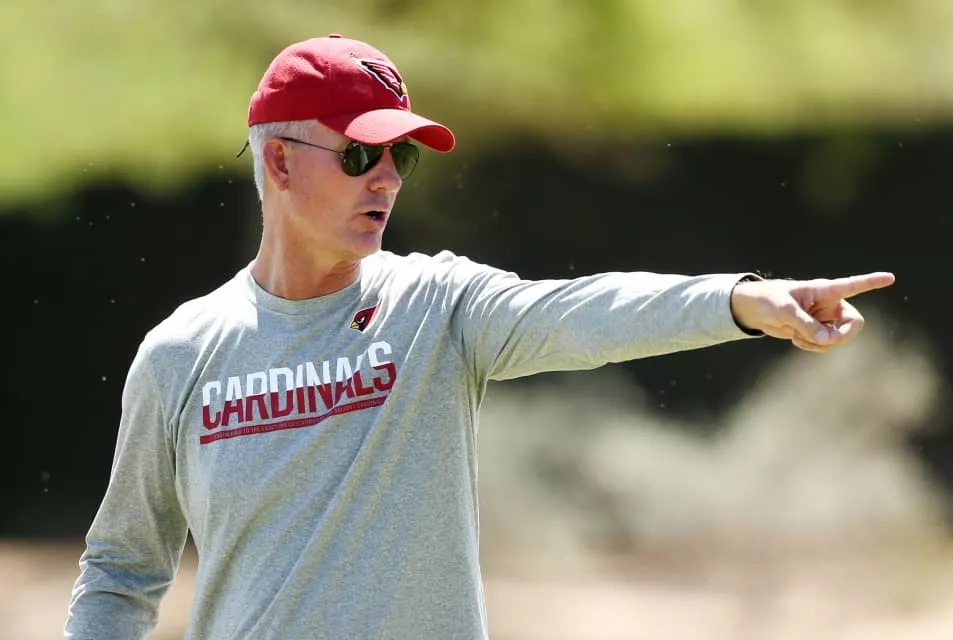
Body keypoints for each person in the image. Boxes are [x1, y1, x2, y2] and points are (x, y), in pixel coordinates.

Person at [64, 33, 895, 640]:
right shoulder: (180, 354)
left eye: (399, 159)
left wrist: (742, 300)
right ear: (279, 163)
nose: (386, 180)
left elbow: (580, 312)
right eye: (358, 157)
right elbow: (120, 573)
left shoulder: (436, 305)